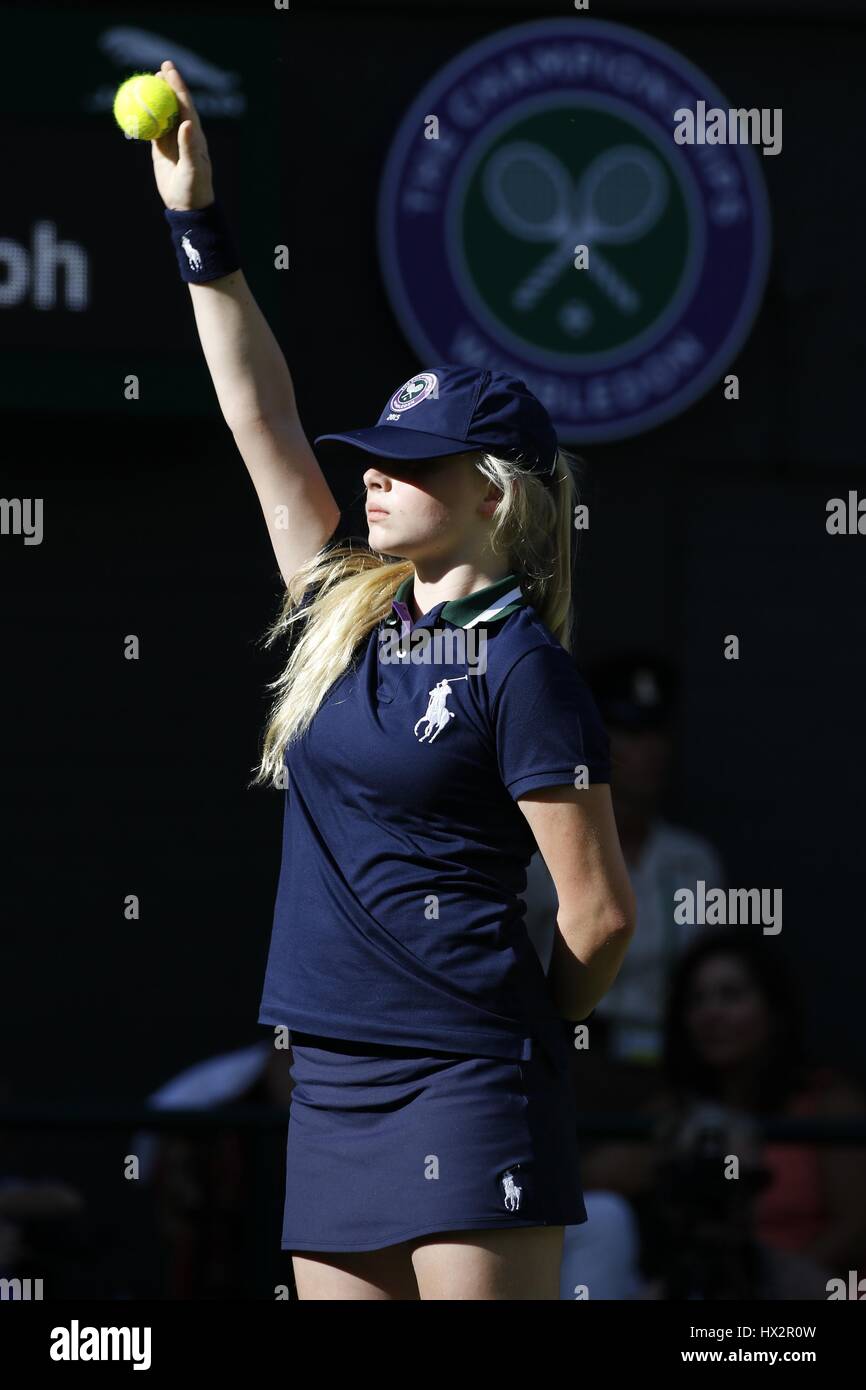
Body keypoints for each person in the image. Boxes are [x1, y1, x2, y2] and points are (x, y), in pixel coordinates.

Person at [147, 60, 636, 1301]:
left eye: (408, 461)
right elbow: (262, 421)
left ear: (490, 492)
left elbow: (599, 918)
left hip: (470, 1078)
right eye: (371, 452)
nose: (371, 474)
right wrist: (199, 233)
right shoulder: (342, 610)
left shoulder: (522, 665)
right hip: (333, 1079)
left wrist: (503, 1026)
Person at [579, 928, 866, 1297]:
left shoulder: (828, 1104)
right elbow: (594, 1184)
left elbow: (856, 1227)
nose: (711, 1013)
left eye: (730, 996)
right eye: (697, 1000)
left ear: (773, 1009)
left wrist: (766, 1280)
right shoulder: (675, 1110)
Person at [523, 651, 725, 1066]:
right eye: (630, 734)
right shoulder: (538, 854)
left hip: (671, 1067)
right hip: (564, 1059)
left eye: (656, 734)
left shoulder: (693, 860)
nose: (648, 751)